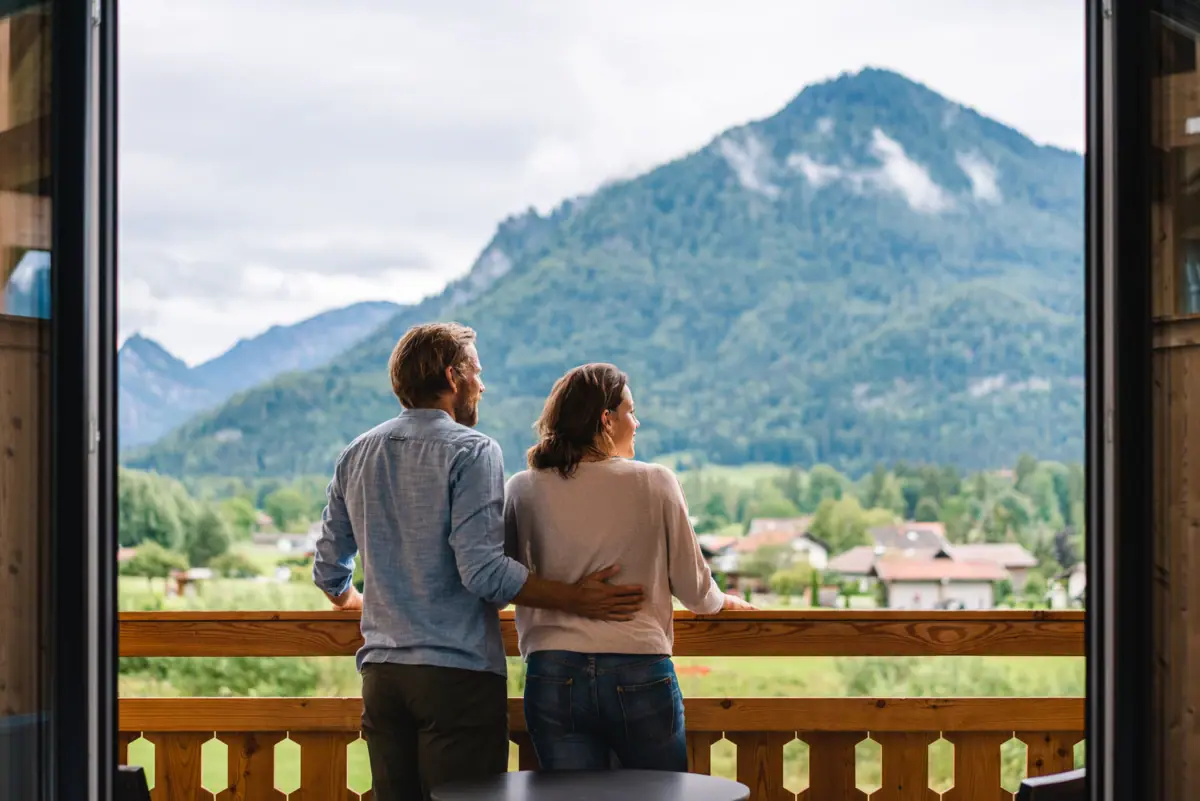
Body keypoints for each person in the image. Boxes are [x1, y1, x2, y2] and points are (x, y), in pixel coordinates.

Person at [312, 324, 646, 801]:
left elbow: (328, 570)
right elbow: (484, 572)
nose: (482, 386)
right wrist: (577, 598)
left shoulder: (356, 454)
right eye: (477, 372)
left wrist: (353, 600)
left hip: (382, 677)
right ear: (453, 376)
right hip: (457, 678)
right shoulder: (472, 450)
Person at [504, 363, 755, 772]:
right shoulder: (655, 482)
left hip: (553, 672)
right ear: (606, 418)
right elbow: (696, 592)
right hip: (637, 667)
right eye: (630, 411)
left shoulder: (523, 487)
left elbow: (505, 581)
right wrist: (724, 602)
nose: (636, 423)